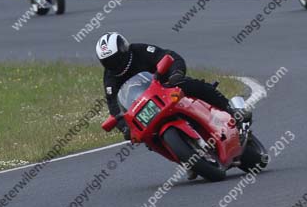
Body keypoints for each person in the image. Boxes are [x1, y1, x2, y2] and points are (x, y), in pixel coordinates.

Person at [96, 33, 251, 142]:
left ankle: (231, 110)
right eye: (108, 62)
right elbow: (114, 106)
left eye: (115, 59)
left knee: (188, 84)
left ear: (124, 50)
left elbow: (168, 56)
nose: (113, 64)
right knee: (144, 136)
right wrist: (124, 127)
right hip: (146, 105)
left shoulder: (139, 51)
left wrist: (176, 73)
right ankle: (184, 157)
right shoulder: (110, 78)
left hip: (168, 86)